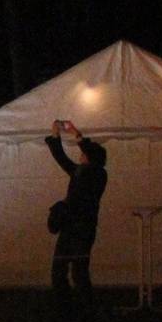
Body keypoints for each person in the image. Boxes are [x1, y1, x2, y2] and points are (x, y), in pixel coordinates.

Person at [44, 119, 107, 297]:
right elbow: (62, 159)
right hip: (71, 227)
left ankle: (82, 309)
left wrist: (75, 132)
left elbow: (87, 152)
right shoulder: (80, 171)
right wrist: (56, 136)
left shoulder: (98, 173)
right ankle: (66, 305)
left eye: (84, 154)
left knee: (78, 271)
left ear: (91, 157)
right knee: (60, 267)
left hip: (82, 229)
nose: (81, 156)